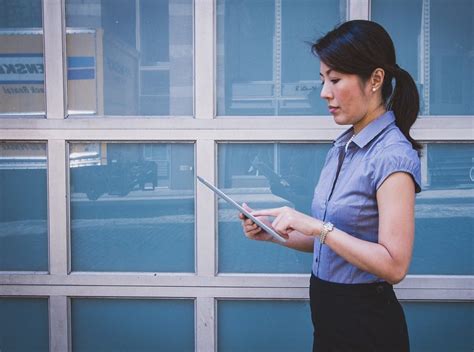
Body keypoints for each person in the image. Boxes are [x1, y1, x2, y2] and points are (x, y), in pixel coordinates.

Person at [240, 20, 421, 351]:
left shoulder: (392, 156)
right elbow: (333, 240)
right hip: (328, 317)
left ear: (376, 79)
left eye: (335, 79)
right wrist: (276, 234)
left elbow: (395, 266)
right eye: (323, 79)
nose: (324, 92)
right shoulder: (342, 147)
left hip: (366, 324)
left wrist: (316, 226)